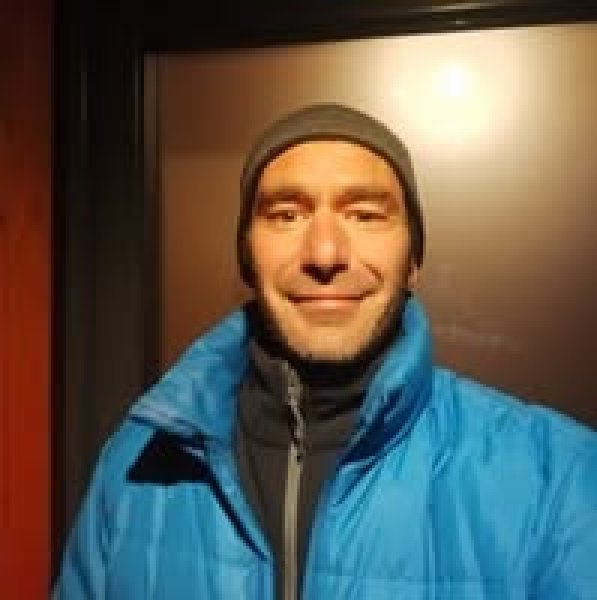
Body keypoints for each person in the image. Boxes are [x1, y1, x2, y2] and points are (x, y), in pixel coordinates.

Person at [53, 103, 597, 599]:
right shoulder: (136, 465)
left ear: (413, 259)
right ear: (247, 256)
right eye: (286, 215)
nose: (325, 253)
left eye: (365, 215)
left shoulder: (559, 477)